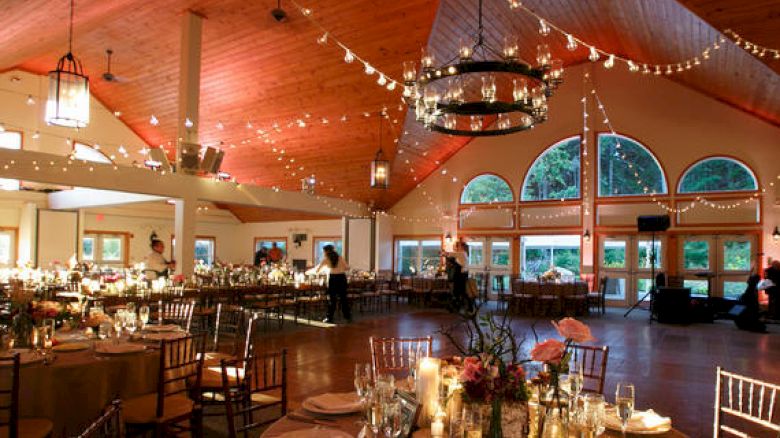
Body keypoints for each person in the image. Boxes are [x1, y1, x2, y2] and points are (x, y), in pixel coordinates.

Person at [309, 245, 351, 323]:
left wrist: (308, 272)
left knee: (332, 299)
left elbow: (317, 270)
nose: (323, 253)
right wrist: (340, 268)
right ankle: (347, 316)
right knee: (343, 298)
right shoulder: (340, 257)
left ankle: (330, 317)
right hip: (342, 278)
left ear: (326, 251)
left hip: (333, 279)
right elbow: (347, 268)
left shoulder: (326, 259)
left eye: (323, 251)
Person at [444, 240, 471, 313]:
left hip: (460, 275)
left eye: (458, 246)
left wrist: (444, 253)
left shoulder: (461, 253)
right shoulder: (464, 253)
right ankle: (458, 307)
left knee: (458, 292)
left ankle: (458, 307)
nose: (457, 247)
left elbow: (450, 254)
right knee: (460, 292)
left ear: (462, 246)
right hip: (462, 274)